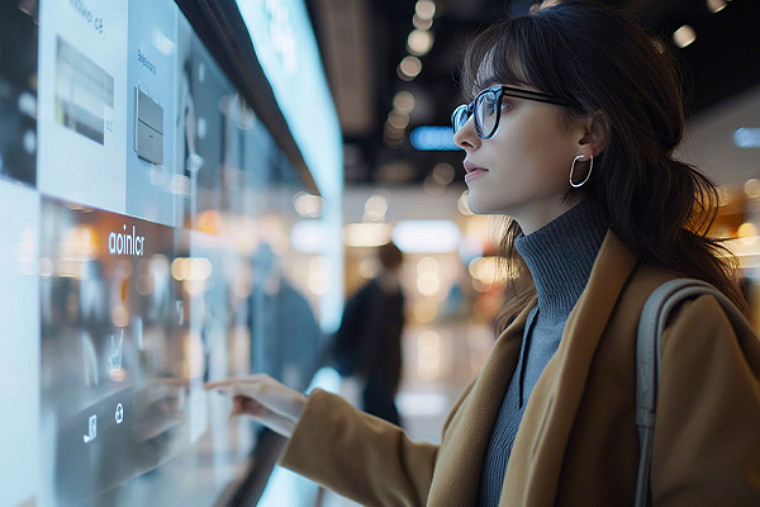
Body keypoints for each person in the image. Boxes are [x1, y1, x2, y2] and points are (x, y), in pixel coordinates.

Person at [207, 1, 760, 504]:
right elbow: (468, 487)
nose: (466, 132)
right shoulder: (529, 320)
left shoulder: (682, 328)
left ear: (589, 132)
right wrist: (302, 418)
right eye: (469, 107)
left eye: (498, 102)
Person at [332, 241, 406, 426]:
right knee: (377, 422)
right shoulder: (366, 295)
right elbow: (347, 332)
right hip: (369, 371)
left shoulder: (396, 295)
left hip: (384, 372)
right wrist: (356, 365)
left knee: (384, 422)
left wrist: (396, 374)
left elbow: (395, 340)